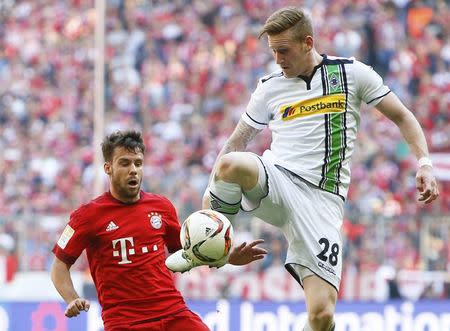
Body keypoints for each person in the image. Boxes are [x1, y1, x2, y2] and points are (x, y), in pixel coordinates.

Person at [168, 6, 439, 331]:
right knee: (230, 164)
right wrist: (207, 220)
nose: (278, 59)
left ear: (307, 43)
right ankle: (206, 250)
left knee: (322, 316)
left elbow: (403, 116)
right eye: (273, 52)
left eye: (284, 51)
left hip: (322, 204)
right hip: (278, 181)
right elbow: (235, 142)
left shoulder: (352, 74)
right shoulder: (269, 87)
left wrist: (424, 163)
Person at [50, 130, 267, 331]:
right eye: (124, 163)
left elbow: (187, 253)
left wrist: (226, 257)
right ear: (108, 168)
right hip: (125, 322)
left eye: (138, 163)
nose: (133, 170)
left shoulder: (161, 207)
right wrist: (72, 299)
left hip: (172, 312)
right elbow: (60, 266)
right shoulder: (88, 215)